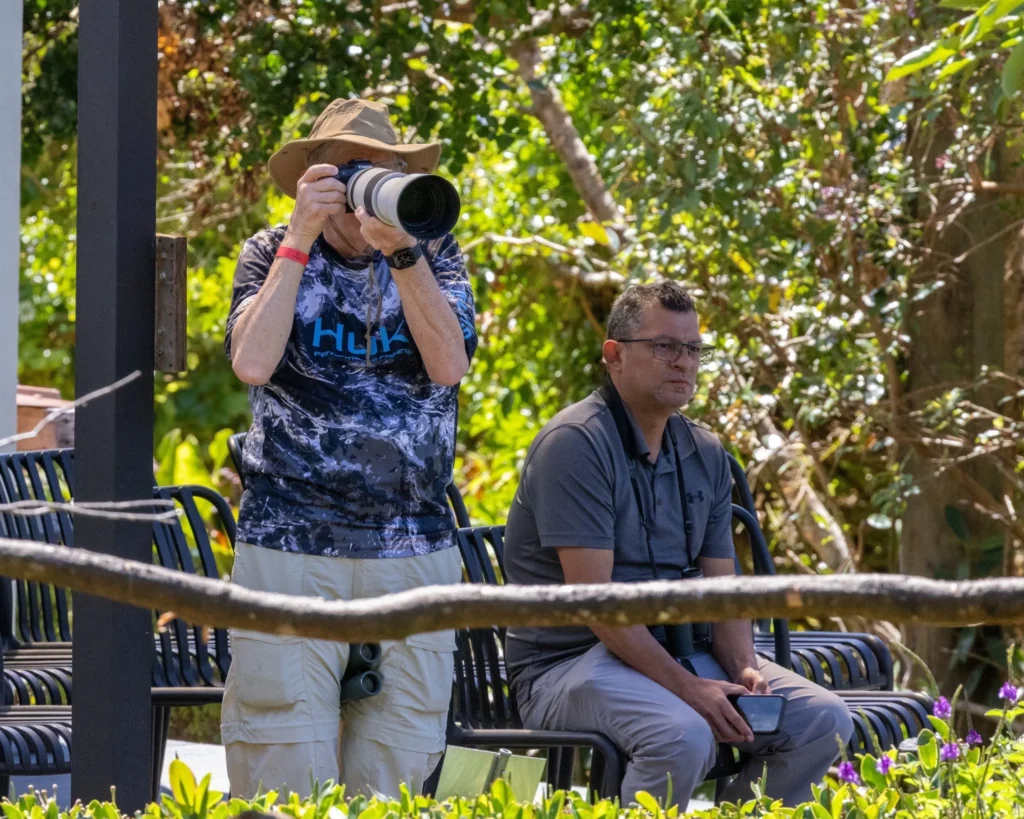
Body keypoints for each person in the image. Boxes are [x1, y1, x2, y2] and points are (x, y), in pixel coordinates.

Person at [502, 281, 852, 809]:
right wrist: (692, 691)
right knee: (680, 734)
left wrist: (741, 668)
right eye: (664, 346)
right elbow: (598, 606)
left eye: (693, 350)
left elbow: (723, 588)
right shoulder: (574, 444)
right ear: (614, 355)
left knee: (823, 720)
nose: (683, 363)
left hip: (680, 654)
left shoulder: (704, 451)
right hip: (569, 667)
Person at [220, 98, 477, 800]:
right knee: (283, 766)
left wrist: (403, 250)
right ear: (313, 174)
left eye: (383, 170)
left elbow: (449, 364)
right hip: (291, 543)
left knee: (401, 763)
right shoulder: (270, 253)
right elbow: (251, 362)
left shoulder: (436, 254)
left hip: (412, 546)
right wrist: (299, 239)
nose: (367, 181)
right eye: (350, 167)